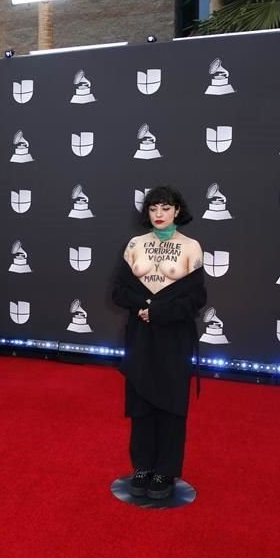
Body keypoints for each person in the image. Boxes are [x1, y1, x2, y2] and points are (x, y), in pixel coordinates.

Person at [112, 185, 206, 500]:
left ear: (177, 210)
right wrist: (144, 308)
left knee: (170, 403)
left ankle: (165, 469)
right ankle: (143, 466)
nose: (159, 215)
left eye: (165, 208)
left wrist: (159, 312)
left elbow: (196, 298)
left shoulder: (191, 246)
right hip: (140, 334)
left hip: (173, 337)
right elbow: (120, 291)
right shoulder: (134, 244)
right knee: (140, 401)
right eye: (153, 209)